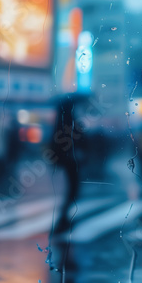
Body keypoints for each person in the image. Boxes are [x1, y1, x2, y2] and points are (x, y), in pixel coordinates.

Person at [50, 96, 82, 233]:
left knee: (72, 190)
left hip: (67, 160)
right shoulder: (68, 121)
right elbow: (74, 138)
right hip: (71, 160)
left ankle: (64, 219)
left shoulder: (61, 120)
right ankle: (63, 220)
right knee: (73, 190)